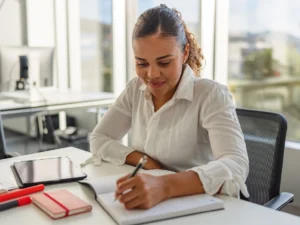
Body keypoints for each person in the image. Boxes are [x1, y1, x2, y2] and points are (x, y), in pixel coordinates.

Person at [87, 4, 249, 210]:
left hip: (202, 209)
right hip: (149, 208)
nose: (152, 74)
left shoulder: (210, 95)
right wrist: (146, 162)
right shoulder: (135, 89)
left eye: (164, 63)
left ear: (184, 53)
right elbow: (99, 138)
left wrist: (164, 185)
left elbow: (236, 165)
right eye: (142, 63)